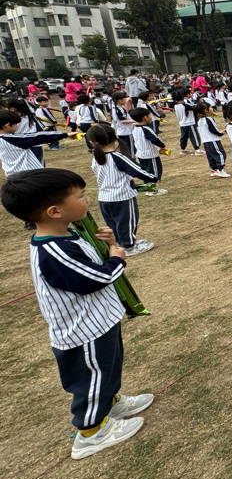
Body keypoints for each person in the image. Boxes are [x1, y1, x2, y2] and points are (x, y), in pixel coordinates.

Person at [0, 168, 153, 459]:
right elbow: (94, 279)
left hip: (100, 321)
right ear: (55, 211)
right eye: (81, 195)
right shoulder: (54, 251)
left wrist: (107, 243)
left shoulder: (66, 234)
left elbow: (89, 264)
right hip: (84, 332)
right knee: (92, 378)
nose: (87, 199)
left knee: (108, 369)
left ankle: (110, 405)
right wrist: (117, 258)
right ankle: (91, 433)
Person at [86, 124, 156, 256]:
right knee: (127, 222)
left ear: (92, 142)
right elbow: (137, 170)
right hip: (122, 196)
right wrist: (153, 178)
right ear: (115, 138)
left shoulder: (96, 157)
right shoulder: (117, 157)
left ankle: (122, 242)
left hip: (104, 197)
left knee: (114, 223)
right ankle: (128, 246)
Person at [0, 109, 68, 176]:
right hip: (29, 174)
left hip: (11, 175)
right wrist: (65, 134)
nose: (17, 126)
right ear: (7, 125)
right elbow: (39, 136)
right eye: (16, 124)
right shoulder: (13, 139)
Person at [129, 107, 169, 196]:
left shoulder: (135, 129)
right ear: (145, 117)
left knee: (146, 172)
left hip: (141, 155)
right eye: (150, 115)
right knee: (155, 171)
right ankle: (154, 190)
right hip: (150, 155)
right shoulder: (146, 129)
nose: (151, 117)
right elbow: (154, 139)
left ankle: (149, 188)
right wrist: (162, 146)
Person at [194, 101, 231, 178]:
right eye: (210, 107)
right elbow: (213, 130)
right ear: (206, 110)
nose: (212, 108)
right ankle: (220, 169)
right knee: (221, 154)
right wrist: (221, 133)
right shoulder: (209, 119)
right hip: (212, 140)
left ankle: (214, 170)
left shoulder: (199, 120)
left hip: (205, 142)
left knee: (211, 156)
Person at [173, 88, 201, 156]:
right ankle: (197, 149)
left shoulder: (176, 105)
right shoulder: (185, 105)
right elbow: (194, 107)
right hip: (189, 123)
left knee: (184, 137)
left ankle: (183, 149)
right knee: (194, 136)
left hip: (182, 123)